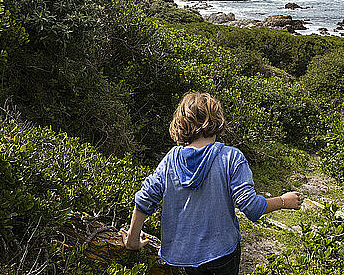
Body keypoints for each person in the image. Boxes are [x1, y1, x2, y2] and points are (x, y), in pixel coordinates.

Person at [123, 92, 302, 274]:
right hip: (221, 255)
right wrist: (283, 201)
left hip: (180, 258)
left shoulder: (170, 160)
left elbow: (145, 198)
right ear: (217, 120)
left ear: (181, 123)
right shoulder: (231, 157)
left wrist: (132, 240)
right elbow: (251, 206)